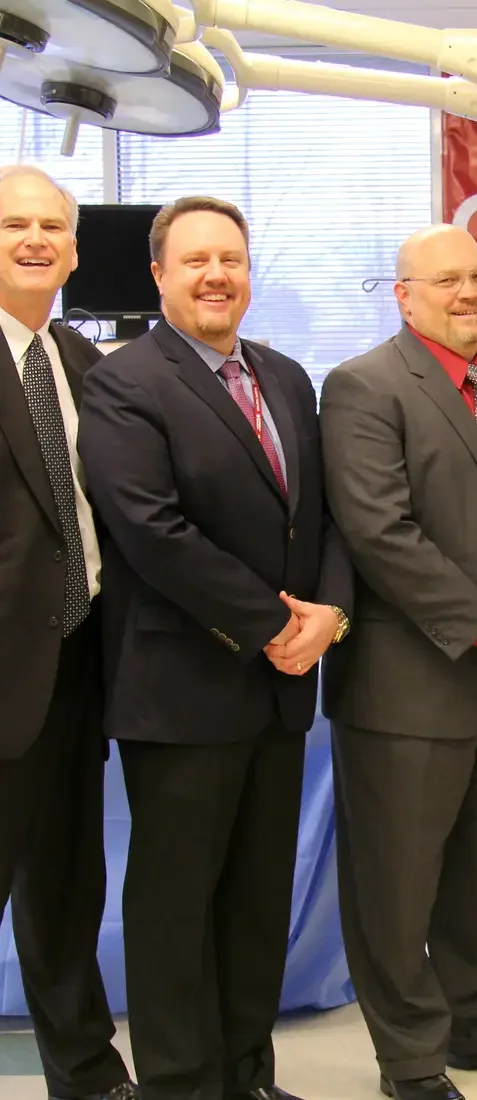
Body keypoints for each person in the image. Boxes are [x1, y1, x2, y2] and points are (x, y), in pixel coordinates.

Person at [77, 196, 353, 1100]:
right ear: (159, 275)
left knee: (254, 905)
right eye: (195, 260)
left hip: (277, 695)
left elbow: (322, 519)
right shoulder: (124, 383)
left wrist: (329, 615)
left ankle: (248, 1075)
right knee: (175, 911)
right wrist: (276, 624)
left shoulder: (284, 376)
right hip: (183, 690)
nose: (215, 275)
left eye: (230, 258)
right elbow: (151, 532)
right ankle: (183, 1085)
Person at [319, 223, 477, 1100]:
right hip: (408, 688)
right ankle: (412, 1058)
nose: (467, 292)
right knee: (397, 887)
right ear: (404, 294)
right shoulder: (365, 387)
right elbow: (379, 531)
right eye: (445, 281)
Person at [0, 165, 136, 1100]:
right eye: (14, 223)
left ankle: (86, 1075)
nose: (36, 239)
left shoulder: (85, 367)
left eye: (53, 225)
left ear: (76, 251)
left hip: (76, 668)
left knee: (64, 893)